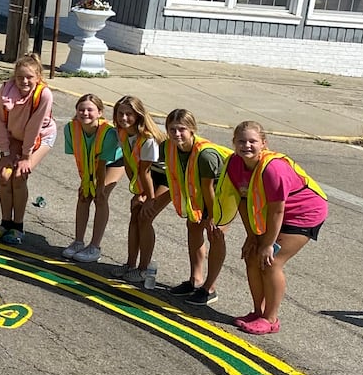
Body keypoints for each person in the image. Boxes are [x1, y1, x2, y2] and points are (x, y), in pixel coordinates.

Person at [226, 121, 329, 335]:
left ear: (264, 143)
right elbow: (243, 201)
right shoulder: (234, 164)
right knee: (252, 256)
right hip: (272, 214)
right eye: (241, 141)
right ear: (234, 143)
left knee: (271, 261)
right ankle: (257, 312)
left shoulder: (273, 169)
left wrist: (268, 244)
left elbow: (277, 211)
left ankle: (271, 319)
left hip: (303, 213)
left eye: (253, 141)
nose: (247, 145)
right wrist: (252, 237)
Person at [163, 108, 237, 306]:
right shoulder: (170, 147)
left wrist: (214, 217)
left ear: (192, 130)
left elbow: (209, 188)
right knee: (193, 227)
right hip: (200, 196)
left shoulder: (205, 155)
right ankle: (196, 279)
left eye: (182, 129)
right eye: (172, 129)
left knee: (215, 234)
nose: (177, 134)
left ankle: (209, 288)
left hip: (224, 194)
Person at [0, 53, 56, 246]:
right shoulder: (6, 90)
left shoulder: (43, 94)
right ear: (14, 77)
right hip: (14, 136)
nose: (24, 81)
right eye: (20, 77)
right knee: (4, 175)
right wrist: (5, 153)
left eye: (29, 77)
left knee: (19, 176)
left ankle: (17, 227)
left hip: (39, 137)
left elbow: (33, 128)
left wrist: (26, 156)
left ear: (38, 78)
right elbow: (0, 122)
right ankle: (5, 223)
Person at [61, 94, 126, 264]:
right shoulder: (70, 129)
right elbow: (80, 158)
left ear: (100, 113)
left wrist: (96, 187)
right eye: (81, 110)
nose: (85, 113)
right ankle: (78, 241)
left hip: (113, 162)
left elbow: (102, 164)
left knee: (100, 196)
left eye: (90, 110)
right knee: (83, 196)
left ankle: (95, 247)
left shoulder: (108, 133)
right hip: (90, 164)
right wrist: (85, 183)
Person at [113, 96, 169, 285]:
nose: (124, 118)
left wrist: (150, 199)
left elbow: (144, 171)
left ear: (138, 115)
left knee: (146, 215)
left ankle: (144, 268)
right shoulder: (122, 132)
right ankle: (130, 264)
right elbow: (130, 164)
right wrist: (138, 193)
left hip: (167, 177)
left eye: (129, 114)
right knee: (135, 212)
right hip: (149, 176)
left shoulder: (148, 138)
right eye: (120, 113)